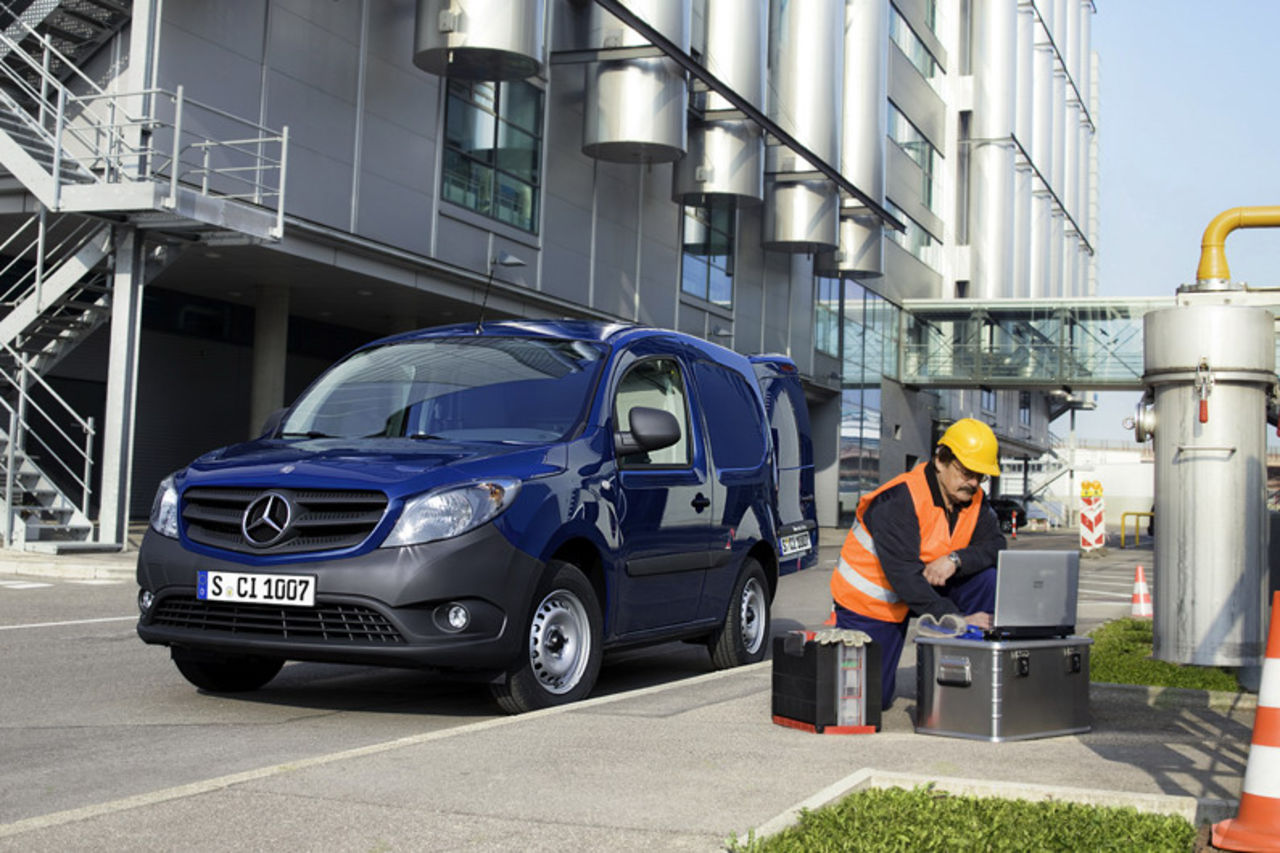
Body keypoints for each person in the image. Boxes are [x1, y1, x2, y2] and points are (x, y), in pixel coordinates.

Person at [830, 418, 1006, 710]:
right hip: (873, 600)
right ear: (940, 460)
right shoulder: (899, 499)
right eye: (966, 472)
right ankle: (836, 642)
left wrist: (955, 559)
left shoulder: (974, 500)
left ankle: (972, 687)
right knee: (868, 702)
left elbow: (996, 546)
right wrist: (956, 619)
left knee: (987, 578)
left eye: (980, 476)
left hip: (929, 585)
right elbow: (905, 578)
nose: (973, 483)